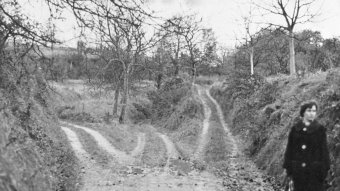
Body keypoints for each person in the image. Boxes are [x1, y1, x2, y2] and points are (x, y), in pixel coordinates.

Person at [283, 100, 330, 191]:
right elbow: (289, 150)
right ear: (303, 112)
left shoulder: (320, 130)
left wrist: (322, 171)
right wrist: (289, 170)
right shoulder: (295, 129)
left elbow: (324, 152)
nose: (312, 113)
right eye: (309, 110)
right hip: (297, 172)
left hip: (314, 174)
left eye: (314, 111)